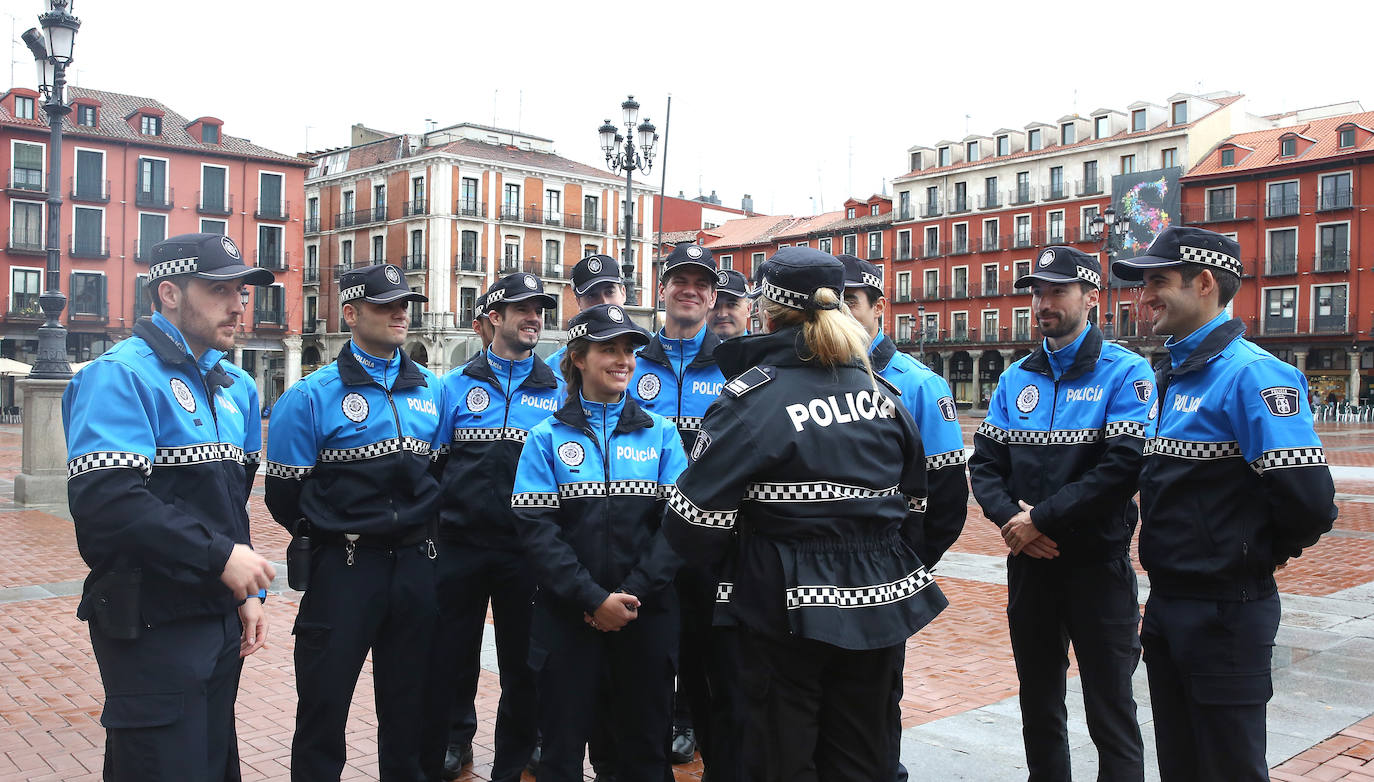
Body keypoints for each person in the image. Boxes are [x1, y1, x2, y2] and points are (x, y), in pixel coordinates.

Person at [662, 246, 948, 782]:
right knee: (864, 759)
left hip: (777, 606)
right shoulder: (882, 394)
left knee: (778, 760)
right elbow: (916, 505)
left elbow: (691, 522)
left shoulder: (751, 400)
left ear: (768, 314)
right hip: (879, 602)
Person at [1112, 226, 1337, 781]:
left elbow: (1310, 502)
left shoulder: (1252, 375)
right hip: (1170, 605)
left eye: (1158, 282)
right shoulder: (1173, 375)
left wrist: (1253, 554)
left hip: (1225, 611)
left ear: (1205, 283)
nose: (1144, 296)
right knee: (1181, 764)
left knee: (1230, 767)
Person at [62, 233, 277, 780]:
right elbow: (107, 501)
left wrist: (247, 591)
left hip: (216, 614)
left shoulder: (237, 386)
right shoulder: (120, 374)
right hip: (151, 618)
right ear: (169, 293)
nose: (238, 305)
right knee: (161, 765)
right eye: (219, 290)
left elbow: (231, 503)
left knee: (213, 763)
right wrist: (221, 557)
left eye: (242, 292)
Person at [967, 246, 1152, 781]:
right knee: (1039, 702)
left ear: (1091, 296)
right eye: (1038, 293)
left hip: (1097, 567)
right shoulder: (1015, 378)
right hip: (1030, 566)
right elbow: (986, 465)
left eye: (1057, 291)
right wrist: (1014, 523)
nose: (1043, 303)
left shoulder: (1126, 372)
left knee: (1111, 706)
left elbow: (1123, 467)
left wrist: (1040, 519)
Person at [264, 264, 443, 782]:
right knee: (324, 703)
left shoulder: (432, 388)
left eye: (404, 304)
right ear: (350, 313)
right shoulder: (309, 395)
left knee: (411, 704)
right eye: (386, 305)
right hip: (344, 567)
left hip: (416, 565)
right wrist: (336, 529)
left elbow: (437, 471)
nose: (400, 314)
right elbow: (284, 495)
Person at [511, 303, 687, 782]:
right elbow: (537, 531)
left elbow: (676, 529)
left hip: (645, 618)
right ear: (578, 358)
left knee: (644, 755)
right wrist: (592, 599)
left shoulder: (662, 434)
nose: (623, 360)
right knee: (560, 756)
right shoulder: (545, 437)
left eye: (629, 350)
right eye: (608, 349)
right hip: (568, 620)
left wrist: (629, 596)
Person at [837, 253, 968, 780]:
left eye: (851, 301)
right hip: (821, 578)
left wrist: (904, 572)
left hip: (886, 580)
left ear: (878, 307)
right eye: (832, 302)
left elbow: (949, 500)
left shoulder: (918, 385)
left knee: (875, 702)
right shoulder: (817, 375)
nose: (840, 313)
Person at [432, 272, 560, 782]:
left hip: (526, 551)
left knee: (525, 657)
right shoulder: (453, 386)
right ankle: (453, 738)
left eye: (539, 310)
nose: (534, 318)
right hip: (459, 545)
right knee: (452, 651)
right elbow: (435, 465)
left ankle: (526, 741)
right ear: (494, 318)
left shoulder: (558, 388)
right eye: (523, 310)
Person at [629, 242, 726, 768]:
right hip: (645, 528)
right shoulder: (632, 360)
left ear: (712, 299)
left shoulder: (734, 365)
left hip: (711, 532)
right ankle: (644, 724)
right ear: (662, 290)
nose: (689, 291)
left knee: (702, 636)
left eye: (700, 284)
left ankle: (687, 718)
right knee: (646, 632)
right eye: (680, 281)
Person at [548, 253, 626, 386]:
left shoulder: (649, 353)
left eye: (609, 292)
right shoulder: (555, 368)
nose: (604, 302)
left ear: (623, 293)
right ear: (578, 303)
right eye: (592, 296)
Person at [709, 268, 752, 340]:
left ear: (748, 309)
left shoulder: (763, 347)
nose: (722, 314)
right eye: (715, 305)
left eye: (731, 305)